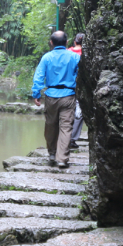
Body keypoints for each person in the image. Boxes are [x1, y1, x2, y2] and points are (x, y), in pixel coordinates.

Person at [31, 30, 80, 168]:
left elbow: (39, 76)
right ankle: (62, 159)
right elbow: (81, 75)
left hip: (51, 95)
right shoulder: (74, 57)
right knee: (66, 127)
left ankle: (52, 154)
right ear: (67, 42)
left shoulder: (47, 58)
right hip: (69, 95)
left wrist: (36, 94)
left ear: (51, 43)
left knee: (50, 126)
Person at [68, 33, 85, 148]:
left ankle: (63, 138)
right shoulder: (87, 54)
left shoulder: (67, 52)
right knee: (79, 113)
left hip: (67, 87)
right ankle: (72, 139)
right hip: (81, 87)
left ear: (74, 42)